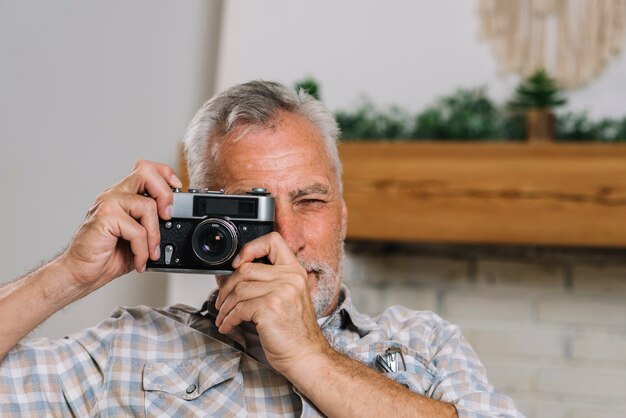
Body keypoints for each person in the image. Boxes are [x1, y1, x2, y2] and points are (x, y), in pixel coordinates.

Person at [0, 80, 523, 417]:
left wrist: (307, 354)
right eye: (250, 211)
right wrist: (69, 273)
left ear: (343, 212)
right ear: (200, 219)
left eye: (310, 200)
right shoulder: (131, 347)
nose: (285, 240)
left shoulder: (424, 343)